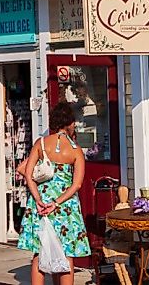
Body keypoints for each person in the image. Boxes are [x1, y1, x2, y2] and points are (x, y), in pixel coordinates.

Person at [18, 103, 91, 285]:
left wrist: (38, 199)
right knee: (67, 252)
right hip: (65, 205)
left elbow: (27, 173)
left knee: (39, 251)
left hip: (40, 203)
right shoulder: (76, 150)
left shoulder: (41, 144)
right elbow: (77, 184)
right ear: (69, 123)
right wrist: (56, 203)